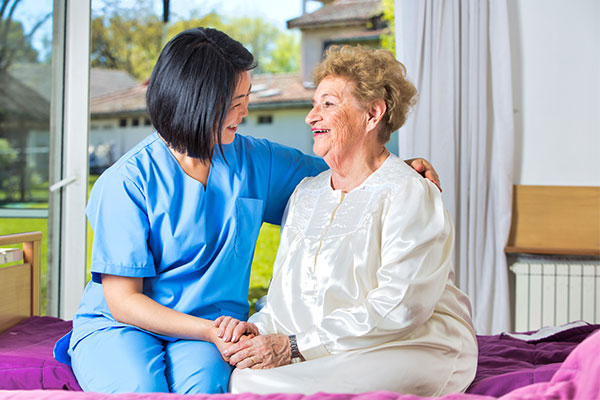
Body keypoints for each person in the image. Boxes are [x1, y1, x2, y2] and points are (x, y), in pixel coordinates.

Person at [52, 28, 440, 394]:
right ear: (199, 105)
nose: (246, 112)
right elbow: (123, 301)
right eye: (236, 103)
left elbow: (346, 170)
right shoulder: (126, 182)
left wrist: (400, 169)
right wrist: (207, 332)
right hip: (126, 326)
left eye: (247, 98)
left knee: (206, 391)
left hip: (214, 327)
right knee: (142, 392)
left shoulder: (255, 160)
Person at [220, 45, 478, 396]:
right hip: (322, 345)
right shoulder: (307, 193)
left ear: (373, 114)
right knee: (244, 376)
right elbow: (284, 296)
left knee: (264, 384)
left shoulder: (410, 192)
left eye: (328, 104)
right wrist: (257, 330)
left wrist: (294, 347)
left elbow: (400, 307)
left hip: (409, 343)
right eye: (314, 105)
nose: (312, 117)